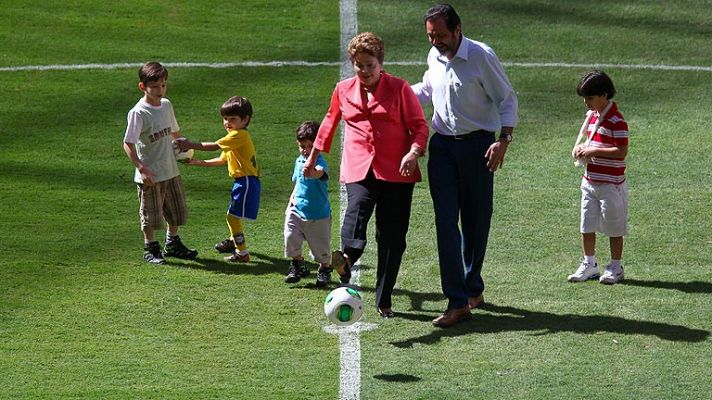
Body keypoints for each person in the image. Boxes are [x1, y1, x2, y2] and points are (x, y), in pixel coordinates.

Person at [303, 32, 429, 318]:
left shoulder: (400, 89)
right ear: (353, 64)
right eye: (359, 65)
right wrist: (312, 160)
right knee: (356, 210)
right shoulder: (343, 90)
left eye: (370, 65)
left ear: (380, 63)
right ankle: (346, 257)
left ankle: (384, 300)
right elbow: (328, 124)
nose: (365, 71)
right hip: (360, 166)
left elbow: (419, 126)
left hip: (397, 170)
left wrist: (414, 152)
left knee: (392, 238)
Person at [411, 4, 519, 328]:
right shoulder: (435, 56)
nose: (436, 42)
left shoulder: (481, 56)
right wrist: (397, 95)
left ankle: (473, 286)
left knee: (475, 221)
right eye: (431, 36)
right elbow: (428, 89)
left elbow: (507, 99)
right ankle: (457, 301)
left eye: (441, 35)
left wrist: (504, 140)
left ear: (458, 29)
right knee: (445, 222)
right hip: (442, 146)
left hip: (478, 146)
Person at [123, 61, 199, 265]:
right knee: (151, 215)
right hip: (151, 174)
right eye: (155, 86)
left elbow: (174, 131)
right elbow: (128, 143)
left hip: (171, 170)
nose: (160, 90)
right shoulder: (138, 113)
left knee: (178, 211)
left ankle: (172, 243)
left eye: (163, 85)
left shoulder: (166, 105)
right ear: (143, 87)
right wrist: (142, 168)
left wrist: (183, 147)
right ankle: (150, 248)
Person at [179, 96, 260, 263]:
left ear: (245, 120)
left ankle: (242, 252)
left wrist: (190, 144)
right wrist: (196, 162)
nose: (227, 122)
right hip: (242, 182)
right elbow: (221, 159)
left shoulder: (239, 135)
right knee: (233, 216)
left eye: (232, 119)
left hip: (246, 182)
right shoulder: (233, 138)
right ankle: (234, 241)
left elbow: (214, 146)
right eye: (225, 119)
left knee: (232, 217)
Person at [568, 70, 629, 284]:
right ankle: (589, 263)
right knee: (586, 224)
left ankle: (615, 266)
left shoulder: (616, 120)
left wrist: (593, 151)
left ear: (604, 95)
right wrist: (582, 149)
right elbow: (592, 143)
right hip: (590, 182)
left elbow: (621, 151)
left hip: (611, 184)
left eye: (590, 98)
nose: (586, 102)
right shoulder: (593, 116)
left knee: (615, 227)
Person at [283, 121, 333, 286]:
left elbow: (320, 173)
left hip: (318, 214)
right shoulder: (298, 161)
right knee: (290, 237)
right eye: (302, 146)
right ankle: (298, 264)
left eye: (310, 146)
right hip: (296, 210)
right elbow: (297, 183)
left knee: (321, 249)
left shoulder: (320, 162)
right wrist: (291, 201)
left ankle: (325, 268)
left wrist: (312, 172)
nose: (305, 150)